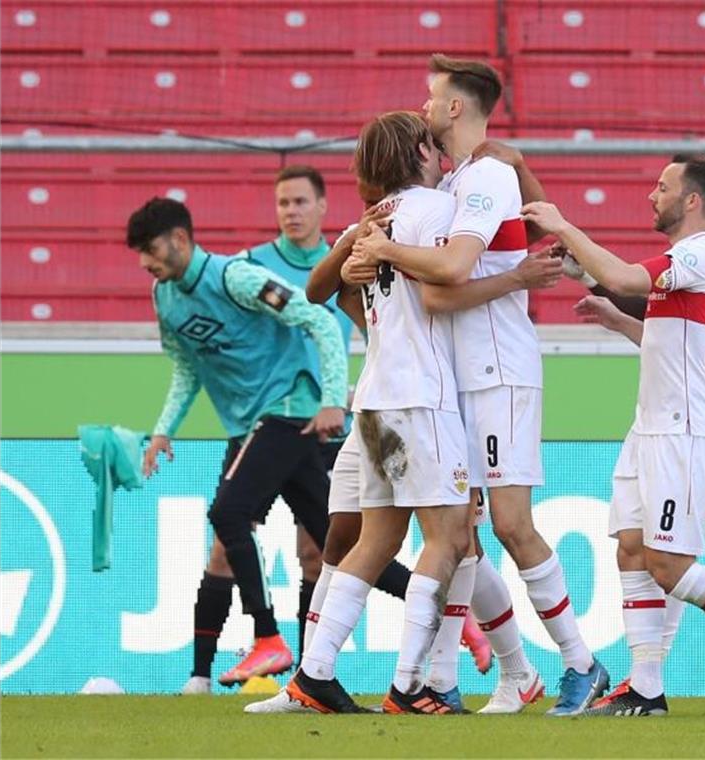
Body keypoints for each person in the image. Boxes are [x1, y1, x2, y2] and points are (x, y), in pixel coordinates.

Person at [352, 54, 607, 716]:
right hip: (457, 379)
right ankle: (464, 676)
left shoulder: (486, 175)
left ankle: (581, 664)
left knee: (514, 525)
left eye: (432, 96)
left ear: (456, 107)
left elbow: (452, 278)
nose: (426, 105)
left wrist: (381, 251)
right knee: (460, 532)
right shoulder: (469, 177)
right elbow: (441, 293)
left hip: (499, 372)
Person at [521, 157, 705, 717]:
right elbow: (664, 333)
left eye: (662, 187)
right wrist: (613, 315)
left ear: (693, 201)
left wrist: (563, 227)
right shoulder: (691, 267)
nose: (650, 195)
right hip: (650, 428)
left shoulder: (702, 253)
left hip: (683, 432)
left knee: (670, 565)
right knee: (631, 549)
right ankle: (647, 688)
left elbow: (628, 278)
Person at [271, 110, 475, 715]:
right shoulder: (434, 210)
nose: (442, 154)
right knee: (450, 536)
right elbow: (454, 275)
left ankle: (314, 673)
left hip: (378, 399)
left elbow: (317, 289)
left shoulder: (371, 222)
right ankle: (410, 686)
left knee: (379, 537)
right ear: (418, 150)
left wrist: (362, 263)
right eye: (433, 146)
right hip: (421, 396)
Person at [129, 197, 348, 692]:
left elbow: (320, 321)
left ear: (180, 239)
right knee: (337, 544)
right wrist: (164, 428)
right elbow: (187, 367)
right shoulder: (164, 297)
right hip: (249, 427)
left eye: (150, 249)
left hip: (287, 415)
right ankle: (208, 675)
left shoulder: (238, 278)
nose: (145, 262)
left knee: (233, 519)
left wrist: (332, 399)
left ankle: (269, 640)